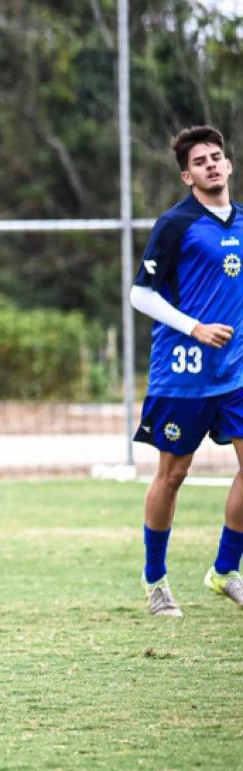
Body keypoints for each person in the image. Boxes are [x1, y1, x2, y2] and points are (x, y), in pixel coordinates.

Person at [130, 124, 243, 616]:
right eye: (200, 162)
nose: (211, 165)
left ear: (229, 164)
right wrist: (193, 327)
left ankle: (225, 571)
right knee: (173, 474)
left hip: (236, 373)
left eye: (216, 157)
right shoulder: (176, 224)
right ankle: (155, 578)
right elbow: (140, 294)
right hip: (183, 371)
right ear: (186, 176)